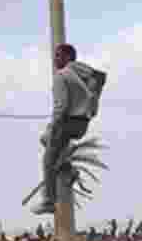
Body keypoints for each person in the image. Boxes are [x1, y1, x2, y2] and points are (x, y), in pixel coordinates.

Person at [31, 44, 103, 215]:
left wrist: (54, 125)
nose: (55, 59)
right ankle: (68, 170)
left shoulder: (61, 76)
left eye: (58, 55)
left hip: (67, 122)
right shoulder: (81, 75)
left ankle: (48, 200)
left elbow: (60, 107)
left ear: (68, 57)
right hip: (81, 123)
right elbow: (98, 78)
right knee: (45, 139)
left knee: (48, 159)